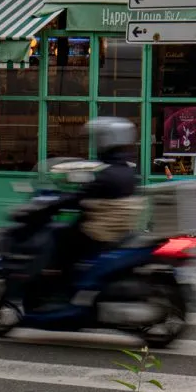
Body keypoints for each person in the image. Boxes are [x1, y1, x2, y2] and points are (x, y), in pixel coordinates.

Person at [55, 117, 144, 283]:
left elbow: (80, 197)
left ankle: (67, 286)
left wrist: (59, 201)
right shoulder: (128, 171)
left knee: (62, 240)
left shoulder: (107, 175)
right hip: (118, 230)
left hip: (100, 233)